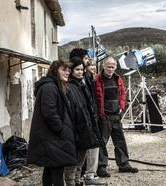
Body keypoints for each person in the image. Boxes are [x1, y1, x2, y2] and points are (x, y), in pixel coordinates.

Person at [27, 60, 77, 186]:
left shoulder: (54, 86)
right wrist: (61, 129)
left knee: (50, 168)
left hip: (51, 137)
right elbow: (49, 113)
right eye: (63, 69)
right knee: (57, 169)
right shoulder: (50, 87)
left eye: (68, 70)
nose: (67, 72)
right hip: (51, 136)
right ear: (55, 71)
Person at [95, 56, 139, 177]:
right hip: (104, 117)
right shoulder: (97, 79)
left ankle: (124, 165)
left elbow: (122, 94)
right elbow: (95, 98)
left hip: (116, 115)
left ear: (115, 67)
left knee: (120, 141)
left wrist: (121, 108)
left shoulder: (117, 78)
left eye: (112, 66)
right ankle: (101, 167)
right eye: (108, 66)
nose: (110, 69)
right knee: (102, 143)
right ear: (103, 66)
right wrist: (100, 114)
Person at [67, 49, 105, 185]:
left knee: (83, 154)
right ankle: (80, 179)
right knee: (76, 158)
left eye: (82, 69)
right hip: (79, 125)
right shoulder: (71, 86)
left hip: (87, 122)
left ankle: (80, 179)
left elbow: (89, 102)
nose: (81, 71)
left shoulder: (84, 81)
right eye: (85, 58)